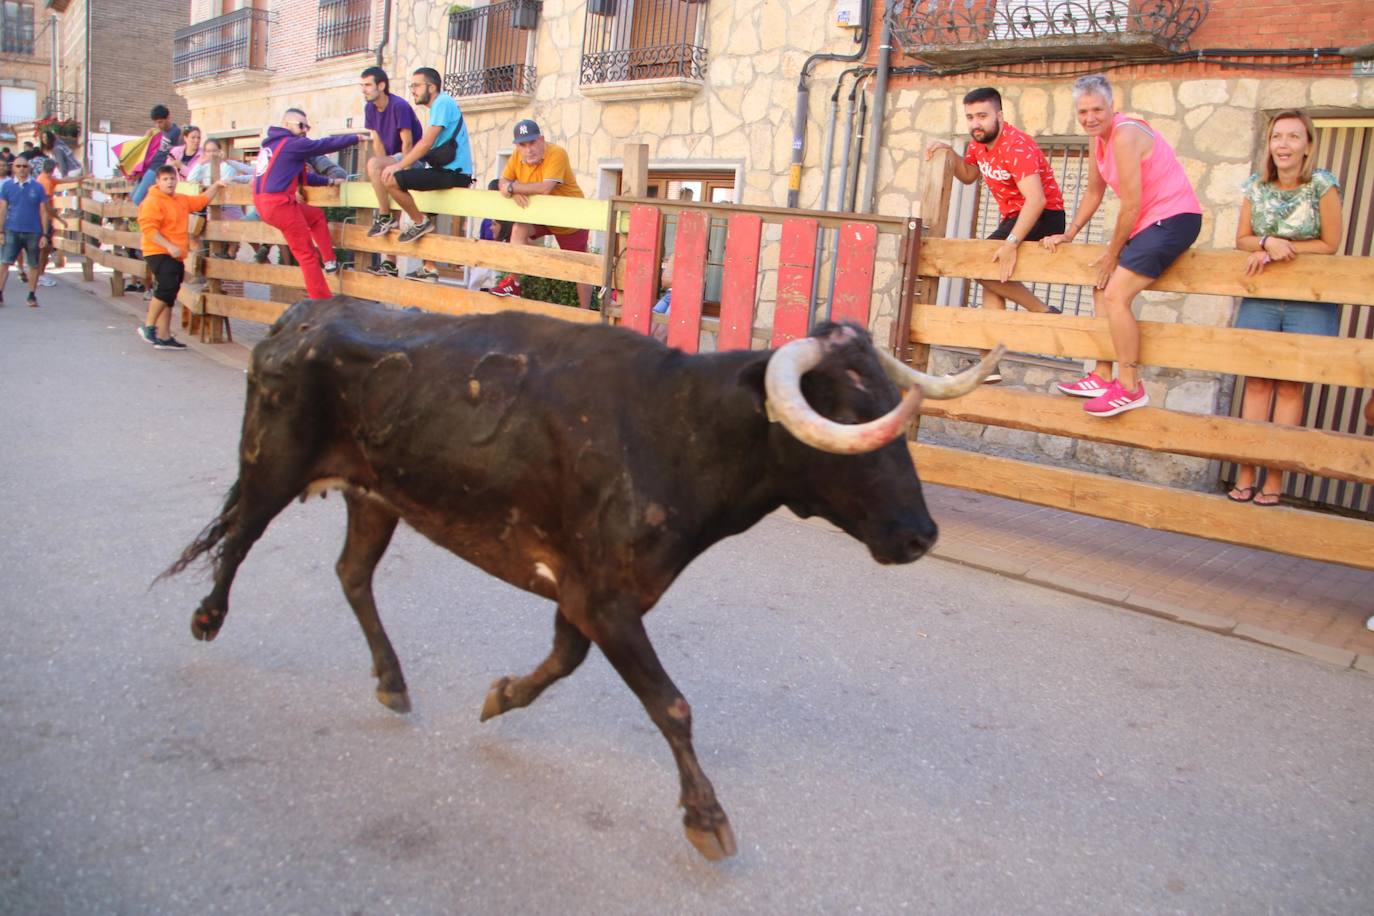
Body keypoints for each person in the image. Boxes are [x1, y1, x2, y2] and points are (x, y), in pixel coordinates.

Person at [1041, 74, 1202, 417]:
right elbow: (1093, 192)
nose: (1090, 118)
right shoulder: (1096, 139)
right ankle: (1102, 375)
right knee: (1102, 288)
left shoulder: (1125, 135)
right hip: (1149, 222)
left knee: (1115, 294)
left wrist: (1112, 254)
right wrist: (1069, 233)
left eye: (1097, 110)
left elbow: (1130, 205)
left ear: (1112, 107)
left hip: (1175, 218)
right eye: (1083, 111)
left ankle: (1129, 386)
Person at [1226, 110, 1343, 507]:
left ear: (1307, 145)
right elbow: (1242, 238)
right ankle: (1246, 472)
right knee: (1256, 383)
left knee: (1291, 386)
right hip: (1261, 296)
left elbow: (1330, 244)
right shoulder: (1255, 187)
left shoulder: (1323, 186)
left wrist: (1282, 249)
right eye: (1277, 136)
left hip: (1308, 299)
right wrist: (1265, 243)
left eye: (1293, 136)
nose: (1283, 144)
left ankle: (1274, 479)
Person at [926, 87, 1067, 383]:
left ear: (999, 116)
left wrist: (1012, 243)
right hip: (1015, 217)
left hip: (1044, 215)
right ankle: (988, 365)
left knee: (981, 264)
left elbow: (1037, 200)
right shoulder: (978, 145)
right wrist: (949, 152)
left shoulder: (1017, 146)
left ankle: (1042, 311)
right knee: (991, 283)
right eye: (970, 117)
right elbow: (968, 176)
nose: (975, 123)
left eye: (982, 116)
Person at [372, 67, 474, 282]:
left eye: (417, 85)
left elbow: (426, 142)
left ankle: (419, 222)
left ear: (432, 87)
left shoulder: (442, 103)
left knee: (392, 181)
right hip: (445, 171)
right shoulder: (439, 106)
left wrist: (399, 166)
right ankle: (429, 268)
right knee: (424, 207)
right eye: (412, 86)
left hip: (453, 173)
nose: (413, 90)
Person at [252, 108, 365, 300]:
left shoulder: (272, 147)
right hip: (279, 204)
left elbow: (303, 178)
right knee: (307, 255)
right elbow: (323, 145)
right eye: (301, 125)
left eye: (307, 127)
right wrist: (355, 138)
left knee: (315, 216)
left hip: (266, 205)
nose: (305, 130)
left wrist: (330, 181)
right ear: (286, 125)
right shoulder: (292, 144)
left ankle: (329, 261)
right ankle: (322, 301)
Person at [491, 119, 591, 307]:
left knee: (581, 267)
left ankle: (586, 312)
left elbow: (545, 187)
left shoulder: (557, 153)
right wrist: (512, 190)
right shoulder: (516, 156)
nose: (528, 149)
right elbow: (502, 182)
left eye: (532, 142)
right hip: (541, 215)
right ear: (517, 146)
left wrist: (513, 188)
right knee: (518, 229)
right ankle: (514, 283)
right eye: (523, 145)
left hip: (570, 218)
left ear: (542, 140)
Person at [135, 165, 228, 349]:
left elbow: (201, 201)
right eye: (165, 179)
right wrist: (169, 246)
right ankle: (148, 326)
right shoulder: (152, 201)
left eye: (172, 179)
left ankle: (164, 336)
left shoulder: (180, 199)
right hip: (158, 251)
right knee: (166, 288)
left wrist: (216, 185)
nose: (169, 183)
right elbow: (149, 229)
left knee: (169, 294)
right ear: (158, 182)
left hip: (176, 253)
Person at [360, 66, 422, 240]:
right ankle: (390, 257)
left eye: (367, 85)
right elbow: (377, 142)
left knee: (374, 164)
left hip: (412, 158)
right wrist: (382, 169)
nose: (363, 90)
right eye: (362, 86)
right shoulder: (369, 108)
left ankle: (384, 216)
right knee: (376, 167)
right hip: (392, 161)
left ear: (381, 86)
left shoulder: (398, 106)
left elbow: (407, 143)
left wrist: (403, 171)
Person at [0, 156, 51, 307]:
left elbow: (44, 211)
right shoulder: (7, 186)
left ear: (29, 168)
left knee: (33, 264)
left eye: (24, 166)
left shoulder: (37, 187)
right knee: (5, 262)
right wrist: (1, 231)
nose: (22, 169)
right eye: (18, 166)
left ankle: (31, 295)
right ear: (13, 168)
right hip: (12, 230)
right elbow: (3, 209)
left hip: (33, 231)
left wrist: (45, 234)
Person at [34, 159, 81, 287]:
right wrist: (59, 218)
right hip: (43, 218)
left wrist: (81, 178)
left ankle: (39, 274)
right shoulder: (46, 183)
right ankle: (39, 275)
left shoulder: (44, 178)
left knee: (46, 248)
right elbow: (47, 206)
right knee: (44, 248)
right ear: (53, 169)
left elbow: (63, 180)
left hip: (41, 217)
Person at [131, 105, 183, 205]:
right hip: (149, 167)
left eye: (160, 122)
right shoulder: (159, 132)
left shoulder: (177, 133)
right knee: (132, 197)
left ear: (168, 118)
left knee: (137, 200)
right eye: (156, 123)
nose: (158, 125)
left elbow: (179, 152)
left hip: (158, 169)